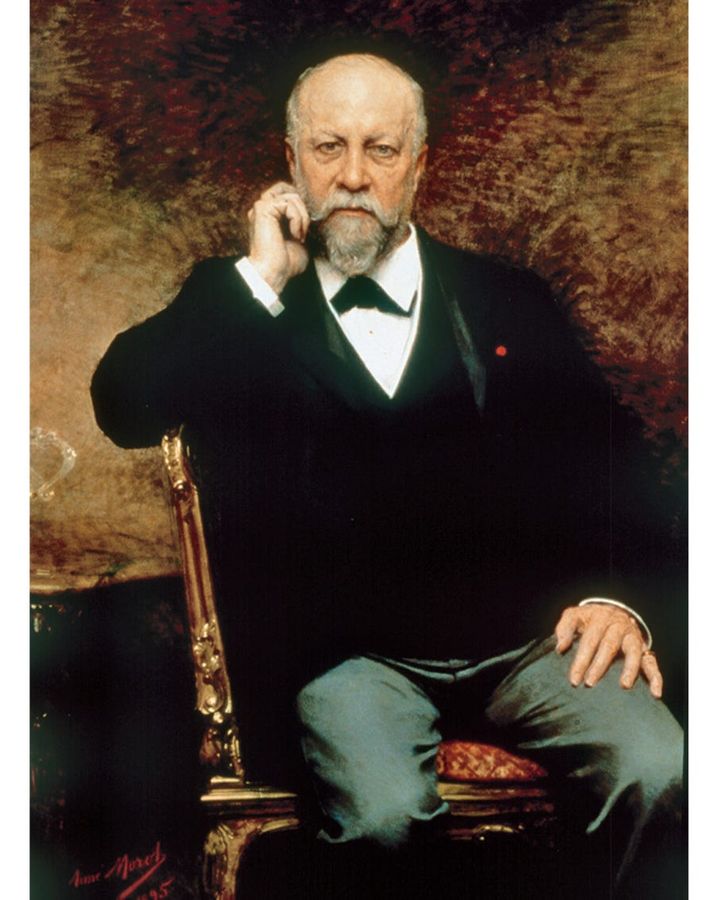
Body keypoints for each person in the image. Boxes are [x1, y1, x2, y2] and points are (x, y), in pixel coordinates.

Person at [91, 52, 684, 897]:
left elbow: (618, 462)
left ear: (420, 165)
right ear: (291, 161)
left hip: (528, 643)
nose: (353, 176)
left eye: (381, 149)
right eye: (328, 147)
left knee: (659, 764)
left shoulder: (508, 298)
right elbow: (122, 407)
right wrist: (260, 279)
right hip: (348, 660)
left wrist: (615, 599)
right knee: (383, 815)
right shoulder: (242, 301)